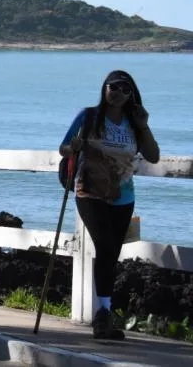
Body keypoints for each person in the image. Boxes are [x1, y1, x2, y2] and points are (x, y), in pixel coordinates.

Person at [59, 70, 160, 340]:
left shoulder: (133, 123)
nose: (118, 92)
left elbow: (153, 155)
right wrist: (74, 147)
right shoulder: (88, 116)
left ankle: (104, 312)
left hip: (124, 198)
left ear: (132, 96)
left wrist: (144, 125)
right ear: (104, 88)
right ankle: (102, 316)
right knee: (104, 245)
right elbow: (64, 148)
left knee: (110, 253)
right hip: (89, 193)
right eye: (113, 86)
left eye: (126, 89)